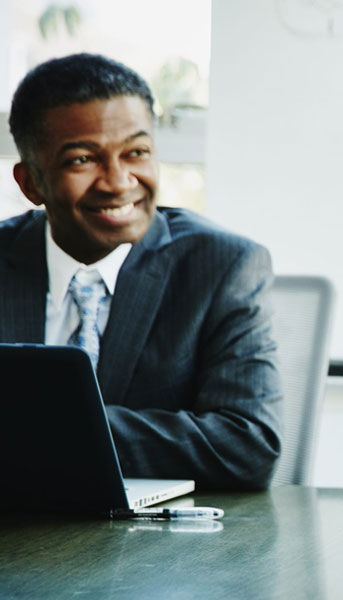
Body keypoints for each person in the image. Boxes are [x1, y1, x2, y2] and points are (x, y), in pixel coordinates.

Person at [0, 53, 282, 490]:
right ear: (30, 183)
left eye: (136, 153)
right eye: (82, 160)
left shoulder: (223, 267)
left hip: (161, 548)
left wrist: (46, 430)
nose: (117, 181)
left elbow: (247, 445)